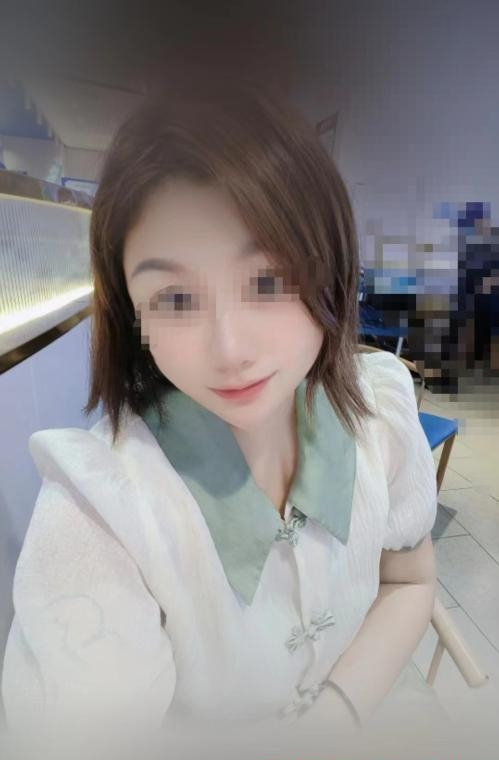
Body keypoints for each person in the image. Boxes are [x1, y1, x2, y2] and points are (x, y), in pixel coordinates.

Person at [0, 75, 450, 759]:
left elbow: (409, 580)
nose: (230, 349)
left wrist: (335, 717)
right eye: (175, 298)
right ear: (132, 312)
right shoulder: (99, 516)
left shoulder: (377, 413)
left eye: (268, 281)